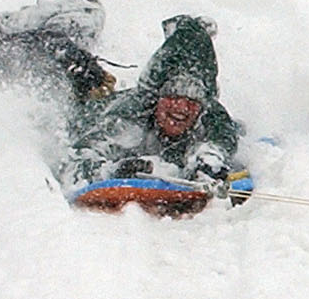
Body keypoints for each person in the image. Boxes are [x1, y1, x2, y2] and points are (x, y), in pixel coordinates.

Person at [65, 14, 244, 191]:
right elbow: (73, 165)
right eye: (173, 97)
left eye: (192, 101)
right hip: (87, 111)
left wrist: (207, 163)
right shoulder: (127, 117)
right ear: (157, 99)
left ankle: (191, 28)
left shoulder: (212, 117)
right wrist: (112, 172)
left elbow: (223, 140)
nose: (181, 107)